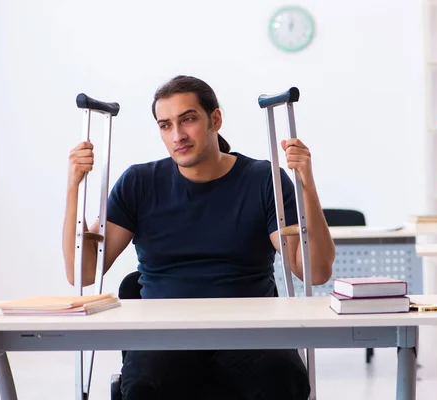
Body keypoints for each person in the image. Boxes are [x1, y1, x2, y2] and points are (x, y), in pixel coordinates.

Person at [62, 75, 336, 399]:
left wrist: (306, 182)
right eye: (165, 125)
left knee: (283, 380)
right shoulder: (139, 183)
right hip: (165, 334)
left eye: (188, 119)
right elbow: (82, 272)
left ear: (215, 119)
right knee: (144, 388)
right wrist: (73, 187)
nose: (177, 135)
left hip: (249, 332)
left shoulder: (263, 179)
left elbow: (315, 272)